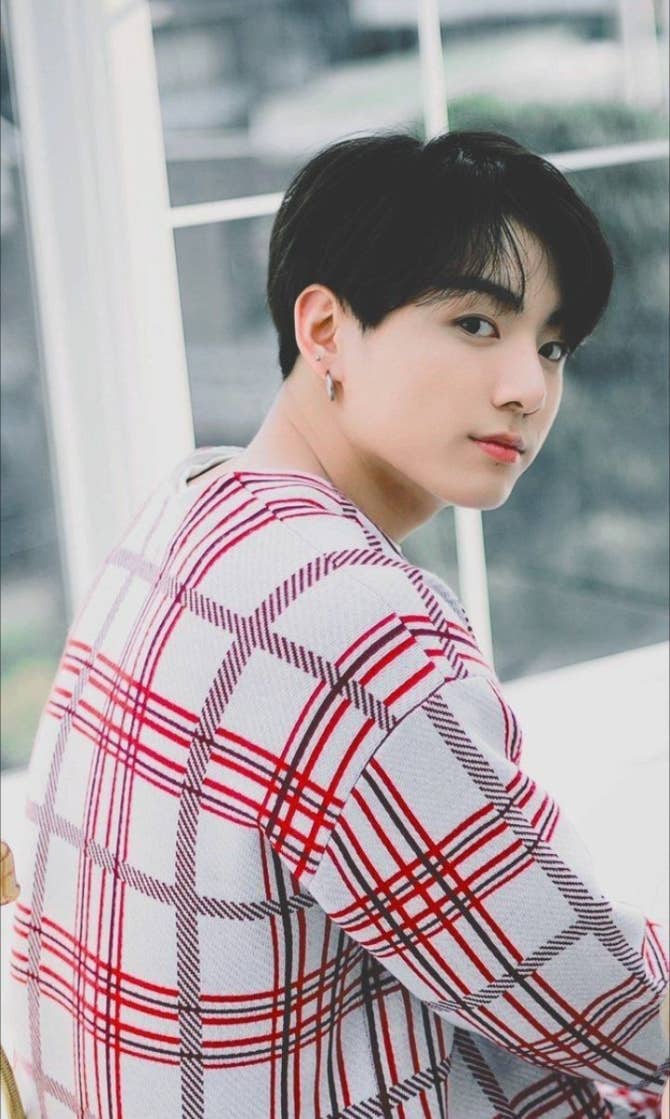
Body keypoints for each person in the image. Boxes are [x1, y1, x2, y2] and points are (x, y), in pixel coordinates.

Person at [7, 130, 669, 1118]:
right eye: (476, 323)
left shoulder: (189, 509)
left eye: (551, 345)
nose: (528, 389)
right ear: (324, 330)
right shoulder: (358, 626)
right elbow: (612, 1003)